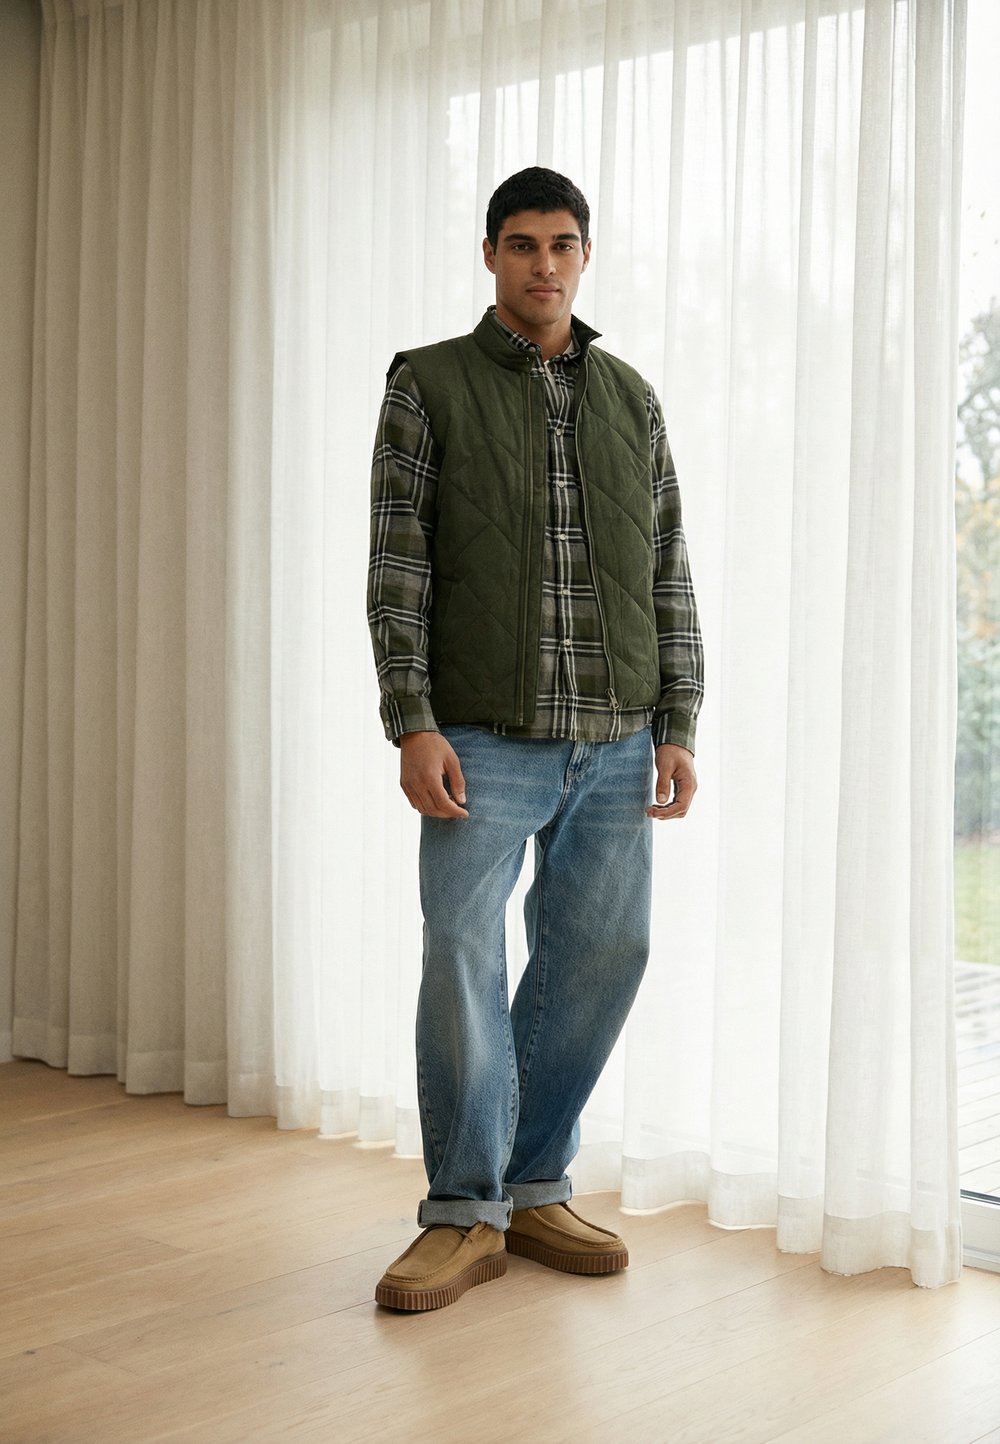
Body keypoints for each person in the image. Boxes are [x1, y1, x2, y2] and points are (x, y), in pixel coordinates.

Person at [367, 166, 703, 1312]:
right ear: (490, 254)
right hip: (482, 734)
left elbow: (667, 567)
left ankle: (529, 1181)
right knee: (463, 959)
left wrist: (678, 720)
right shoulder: (428, 383)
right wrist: (412, 719)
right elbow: (398, 566)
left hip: (618, 734)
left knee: (602, 955)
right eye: (522, 244)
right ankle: (462, 1211)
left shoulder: (631, 398)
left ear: (585, 256)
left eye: (562, 244)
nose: (543, 264)